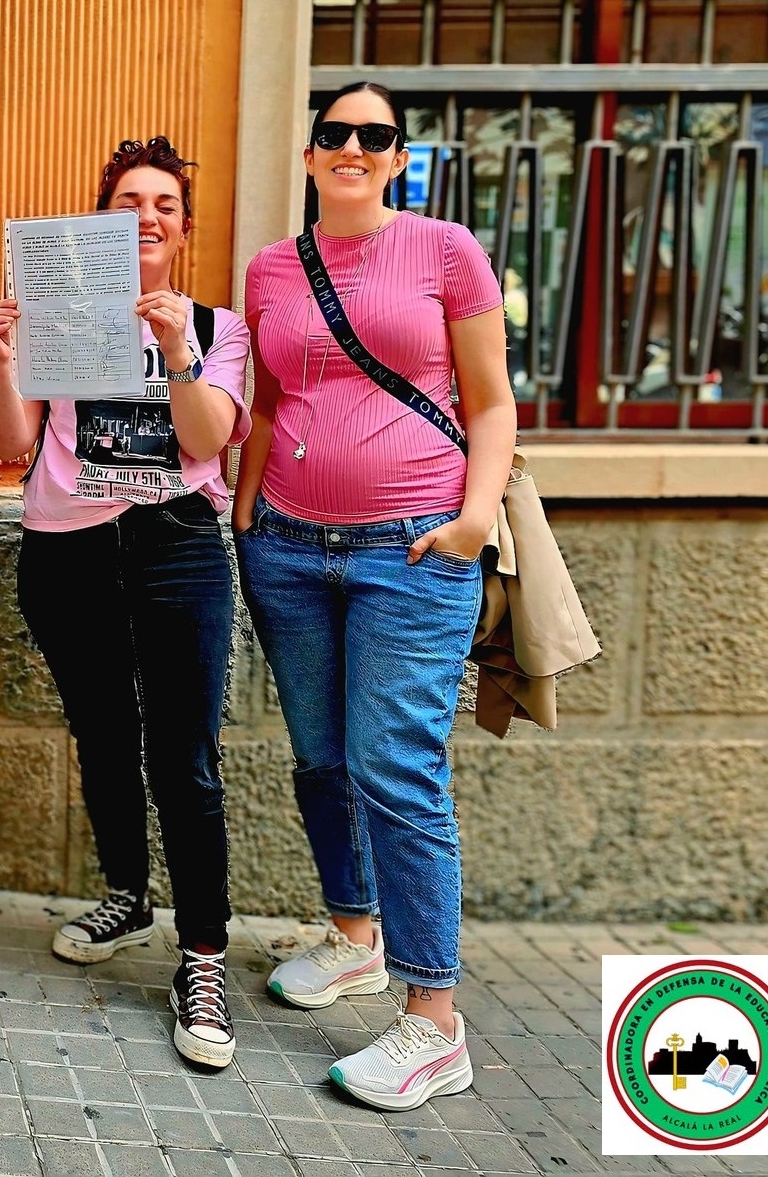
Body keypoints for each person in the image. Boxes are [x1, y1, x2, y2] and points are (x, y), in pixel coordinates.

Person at [235, 80, 515, 1110]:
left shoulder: (445, 251)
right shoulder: (273, 267)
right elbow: (266, 402)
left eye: (375, 135)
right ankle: (354, 934)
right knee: (320, 757)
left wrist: (474, 519)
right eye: (333, 133)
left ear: (396, 155)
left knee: (395, 768)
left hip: (412, 551)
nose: (352, 146)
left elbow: (490, 402)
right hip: (290, 552)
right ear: (308, 154)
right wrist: (246, 512)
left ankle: (434, 1021)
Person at [0, 136, 251, 1070]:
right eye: (129, 199)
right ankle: (127, 895)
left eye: (164, 202)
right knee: (99, 732)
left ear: (181, 224)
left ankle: (202, 957)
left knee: (185, 757)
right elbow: (15, 438)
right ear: (103, 217)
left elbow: (210, 435)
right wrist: (1, 354)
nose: (146, 213)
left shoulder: (216, 327)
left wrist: (175, 346)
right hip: (68, 551)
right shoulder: (60, 317)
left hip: (175, 549)